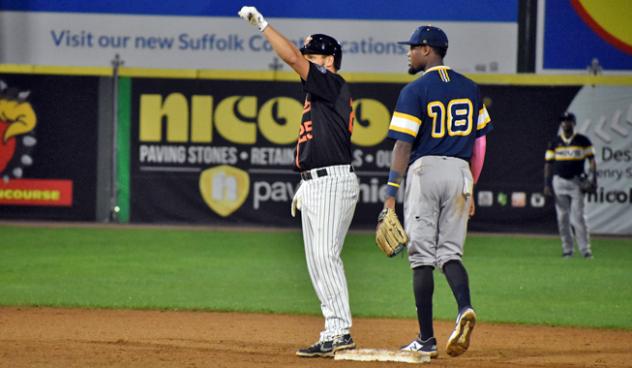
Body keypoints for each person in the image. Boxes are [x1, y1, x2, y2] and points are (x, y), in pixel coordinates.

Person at [238, 6, 360, 358]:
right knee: (317, 262)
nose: (305, 60)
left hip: (332, 180)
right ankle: (333, 330)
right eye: (306, 56)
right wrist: (306, 183)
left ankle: (340, 332)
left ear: (330, 61)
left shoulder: (330, 82)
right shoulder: (318, 93)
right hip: (317, 182)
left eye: (313, 56)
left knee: (325, 257)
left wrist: (262, 26)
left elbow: (290, 56)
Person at [380, 25, 493, 358]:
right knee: (450, 254)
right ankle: (464, 308)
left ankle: (426, 339)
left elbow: (403, 144)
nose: (408, 52)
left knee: (422, 257)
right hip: (460, 172)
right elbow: (481, 143)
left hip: (425, 170)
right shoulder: (471, 88)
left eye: (413, 47)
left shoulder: (415, 89)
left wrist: (390, 191)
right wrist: (470, 184)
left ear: (427, 50)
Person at [544, 112, 597, 259]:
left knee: (578, 217)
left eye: (568, 121)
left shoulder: (582, 140)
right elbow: (548, 163)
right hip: (559, 181)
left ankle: (585, 250)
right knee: (562, 218)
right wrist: (547, 183)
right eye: (563, 121)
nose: (565, 123)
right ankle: (567, 250)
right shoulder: (555, 142)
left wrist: (594, 179)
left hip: (576, 182)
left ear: (573, 123)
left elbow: (592, 160)